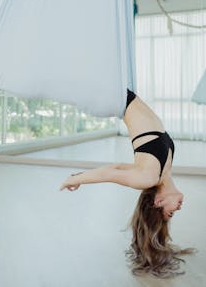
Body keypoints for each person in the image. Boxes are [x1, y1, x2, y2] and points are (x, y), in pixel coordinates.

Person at [59, 88, 195, 278]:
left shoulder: (147, 178)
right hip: (118, 96)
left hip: (110, 97)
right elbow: (118, 167)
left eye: (170, 212)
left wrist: (74, 179)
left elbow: (109, 173)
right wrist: (80, 175)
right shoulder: (163, 172)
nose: (178, 209)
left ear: (158, 202)